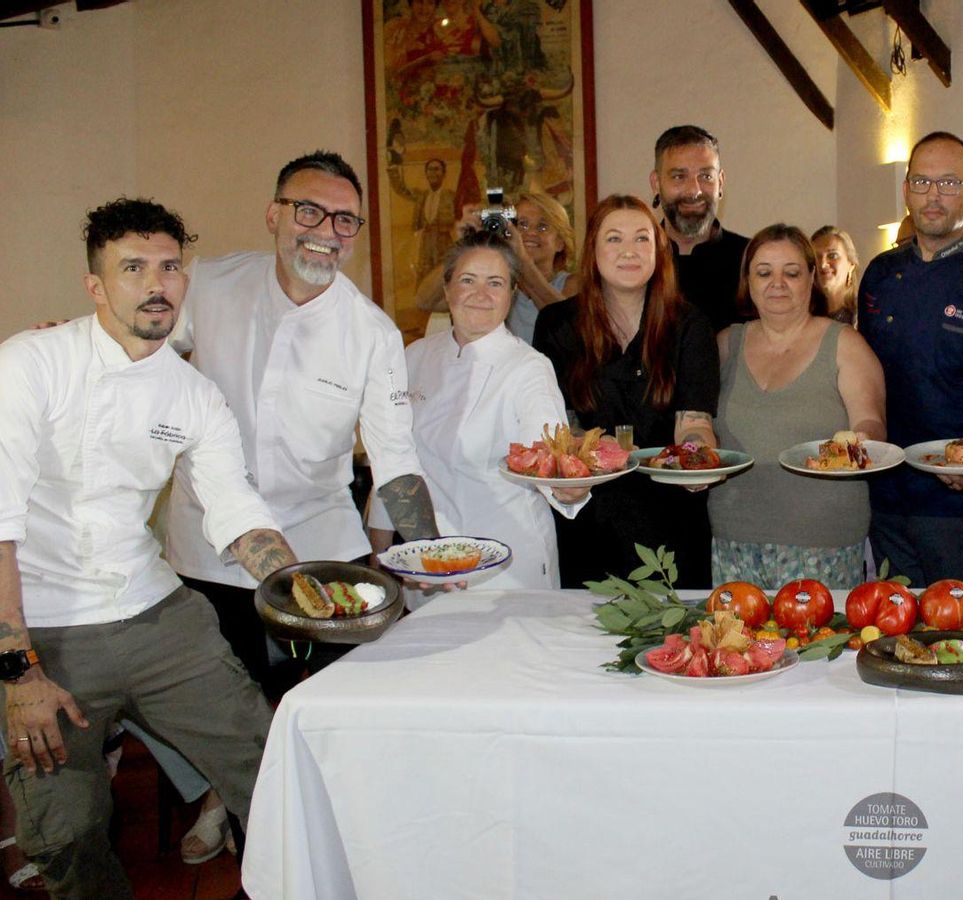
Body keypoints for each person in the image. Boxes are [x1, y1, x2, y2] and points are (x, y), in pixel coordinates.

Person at [0, 198, 299, 898]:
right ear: (96, 286)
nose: (156, 283)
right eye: (133, 268)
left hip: (157, 616)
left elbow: (236, 510)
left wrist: (300, 584)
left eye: (169, 266)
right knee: (66, 833)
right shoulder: (28, 364)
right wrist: (17, 674)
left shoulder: (192, 394)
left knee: (271, 768)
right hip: (43, 630)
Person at [163, 150, 440, 700]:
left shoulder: (372, 332)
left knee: (346, 705)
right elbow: (142, 355)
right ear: (274, 215)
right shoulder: (211, 283)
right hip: (206, 551)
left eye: (344, 220)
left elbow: (395, 458)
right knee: (221, 720)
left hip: (323, 549)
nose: (327, 232)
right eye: (308, 211)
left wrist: (434, 555)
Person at [369, 230, 585, 604]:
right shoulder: (414, 356)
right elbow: (391, 460)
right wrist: (380, 554)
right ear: (448, 288)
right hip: (427, 565)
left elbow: (548, 458)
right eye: (468, 280)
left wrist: (569, 487)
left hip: (508, 569)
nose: (480, 294)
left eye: (495, 283)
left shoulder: (529, 368)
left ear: (511, 293)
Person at [857, 131, 963, 586]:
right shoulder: (879, 273)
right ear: (906, 189)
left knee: (956, 625)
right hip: (885, 487)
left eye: (949, 183)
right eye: (921, 182)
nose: (933, 195)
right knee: (891, 619)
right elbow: (861, 376)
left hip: (958, 497)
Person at [533, 195, 720, 588]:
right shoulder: (556, 325)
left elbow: (694, 423)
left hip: (671, 522)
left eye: (642, 239)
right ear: (593, 252)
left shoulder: (689, 326)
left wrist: (697, 461)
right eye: (614, 239)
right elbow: (561, 427)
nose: (629, 251)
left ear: (659, 250)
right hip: (588, 517)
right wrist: (570, 471)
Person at [708, 225, 887, 587]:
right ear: (748, 281)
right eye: (764, 273)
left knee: (818, 644)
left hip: (824, 542)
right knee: (735, 644)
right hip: (734, 540)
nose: (778, 283)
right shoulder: (725, 345)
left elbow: (871, 421)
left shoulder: (844, 344)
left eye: (791, 273)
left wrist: (858, 444)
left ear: (811, 279)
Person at [414, 190, 579, 343]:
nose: (531, 233)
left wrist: (522, 259)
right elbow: (425, 301)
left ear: (560, 242)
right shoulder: (496, 286)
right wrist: (463, 248)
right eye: (521, 224)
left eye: (542, 227)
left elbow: (570, 325)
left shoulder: (573, 284)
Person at [649, 125, 750, 331]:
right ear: (656, 183)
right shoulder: (636, 263)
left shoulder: (752, 261)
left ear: (720, 183)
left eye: (706, 177)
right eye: (679, 176)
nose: (694, 190)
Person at [389, 157, 457, 277]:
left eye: (437, 169)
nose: (433, 173)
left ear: (444, 173)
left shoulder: (450, 196)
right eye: (430, 170)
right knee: (424, 276)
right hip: (425, 241)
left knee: (444, 274)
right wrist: (393, 171)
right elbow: (402, 190)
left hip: (444, 242)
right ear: (426, 173)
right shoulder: (421, 195)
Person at [811, 225, 860, 325]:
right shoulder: (805, 316)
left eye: (832, 256)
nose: (823, 264)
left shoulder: (863, 315)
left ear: (851, 264)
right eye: (817, 257)